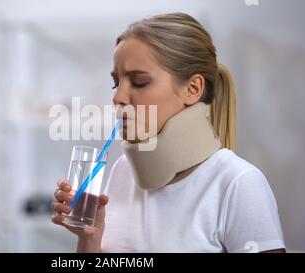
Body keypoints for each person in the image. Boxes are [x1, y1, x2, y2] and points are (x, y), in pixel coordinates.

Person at [51, 12, 285, 253]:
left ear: (192, 89)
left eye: (139, 82)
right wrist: (90, 239)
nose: (118, 97)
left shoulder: (238, 183)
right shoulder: (123, 171)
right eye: (116, 82)